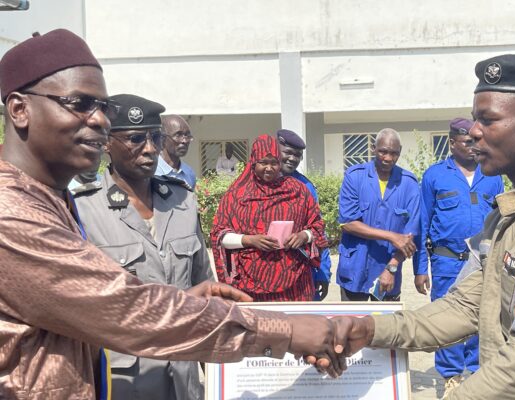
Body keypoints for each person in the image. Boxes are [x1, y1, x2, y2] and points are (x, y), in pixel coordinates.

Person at [0, 29, 345, 399]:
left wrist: (187, 299)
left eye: (103, 108)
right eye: (80, 103)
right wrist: (287, 332)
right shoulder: (12, 213)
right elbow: (126, 308)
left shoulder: (49, 200)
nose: (99, 120)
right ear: (20, 109)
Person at [332, 54, 515, 399]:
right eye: (476, 120)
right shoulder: (507, 218)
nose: (473, 132)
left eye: (488, 120)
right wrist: (367, 328)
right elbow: (460, 309)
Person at [74, 94, 214, 399]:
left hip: (184, 374)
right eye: (136, 138)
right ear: (107, 143)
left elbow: (205, 287)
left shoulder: (183, 201)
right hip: (126, 378)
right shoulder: (83, 210)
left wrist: (217, 371)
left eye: (154, 137)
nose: (150, 149)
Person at [416, 117, 504, 395]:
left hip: (483, 260)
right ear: (452, 142)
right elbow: (422, 224)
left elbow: (502, 220)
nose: (474, 146)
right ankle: (451, 376)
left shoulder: (492, 175)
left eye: (477, 141)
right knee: (447, 318)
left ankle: (477, 372)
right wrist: (421, 269)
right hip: (446, 260)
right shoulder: (435, 176)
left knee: (485, 314)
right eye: (468, 141)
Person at [211, 134, 329, 301]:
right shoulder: (237, 195)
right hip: (249, 287)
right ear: (253, 162)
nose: (269, 168)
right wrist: (249, 240)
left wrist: (304, 236)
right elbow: (219, 235)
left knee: (294, 326)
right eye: (263, 162)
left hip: (295, 286)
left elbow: (317, 225)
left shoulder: (298, 191)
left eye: (274, 162)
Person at [336, 128, 422, 301]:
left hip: (387, 272)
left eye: (394, 153)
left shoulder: (409, 184)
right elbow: (348, 223)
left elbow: (409, 237)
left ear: (400, 152)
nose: (388, 158)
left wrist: (392, 267)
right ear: (373, 148)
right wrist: (391, 236)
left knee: (385, 327)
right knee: (352, 326)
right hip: (354, 270)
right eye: (383, 151)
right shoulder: (354, 177)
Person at [276, 128, 332, 301]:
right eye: (288, 153)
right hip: (266, 270)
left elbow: (318, 228)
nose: (293, 159)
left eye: (298, 155)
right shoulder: (254, 183)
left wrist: (323, 273)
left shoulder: (306, 186)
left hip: (300, 272)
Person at [156, 114, 196, 189]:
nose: (184, 141)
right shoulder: (152, 171)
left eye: (187, 135)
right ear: (162, 138)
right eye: (178, 135)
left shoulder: (189, 173)